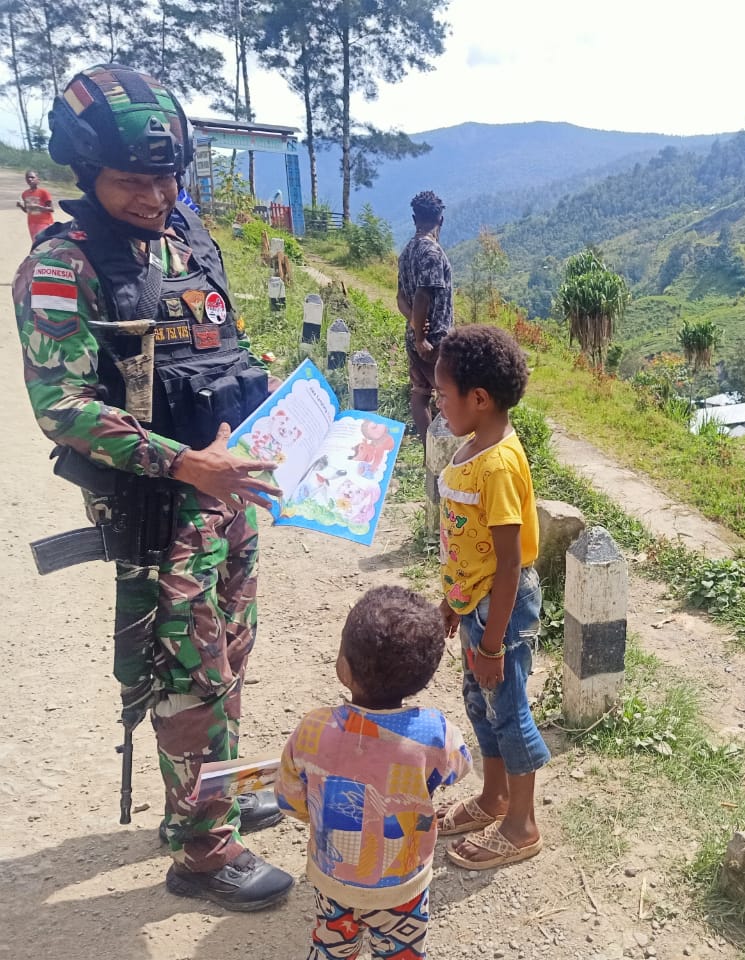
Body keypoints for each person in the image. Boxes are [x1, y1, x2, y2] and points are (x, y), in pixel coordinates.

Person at [13, 64, 293, 909]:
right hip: (162, 507)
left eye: (166, 176)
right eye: (132, 179)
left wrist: (257, 389)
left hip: (227, 497)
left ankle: (219, 789)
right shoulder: (63, 267)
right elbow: (60, 407)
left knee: (232, 651)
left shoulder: (189, 242)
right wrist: (181, 462)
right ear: (85, 174)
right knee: (189, 669)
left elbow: (213, 351)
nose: (153, 193)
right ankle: (204, 854)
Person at [277, 585, 472, 960]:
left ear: (344, 669)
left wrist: (312, 815)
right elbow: (459, 768)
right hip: (404, 885)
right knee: (401, 953)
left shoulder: (314, 729)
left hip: (333, 879)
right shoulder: (434, 733)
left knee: (331, 946)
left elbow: (289, 797)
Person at [432, 324, 548, 870]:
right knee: (480, 702)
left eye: (442, 394)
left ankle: (521, 824)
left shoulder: (498, 466)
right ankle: (493, 797)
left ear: (479, 399)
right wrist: (454, 604)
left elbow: (506, 565)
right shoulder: (472, 445)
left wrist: (494, 643)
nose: (437, 402)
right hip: (476, 604)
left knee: (508, 706)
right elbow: (467, 546)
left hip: (501, 608)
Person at [396, 190, 453, 463]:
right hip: (434, 340)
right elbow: (422, 294)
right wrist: (422, 337)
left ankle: (429, 453)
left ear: (413, 218)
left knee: (420, 395)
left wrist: (413, 324)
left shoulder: (407, 252)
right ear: (440, 219)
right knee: (449, 398)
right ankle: (443, 458)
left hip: (415, 337)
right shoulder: (431, 251)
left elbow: (400, 298)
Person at [18, 169, 54, 239]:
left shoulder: (44, 192)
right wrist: (20, 206)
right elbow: (27, 210)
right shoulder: (24, 194)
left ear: (38, 179)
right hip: (32, 223)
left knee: (44, 244)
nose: (30, 179)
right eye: (27, 177)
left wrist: (38, 207)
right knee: (35, 244)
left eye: (32, 177)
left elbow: (51, 209)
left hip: (45, 223)